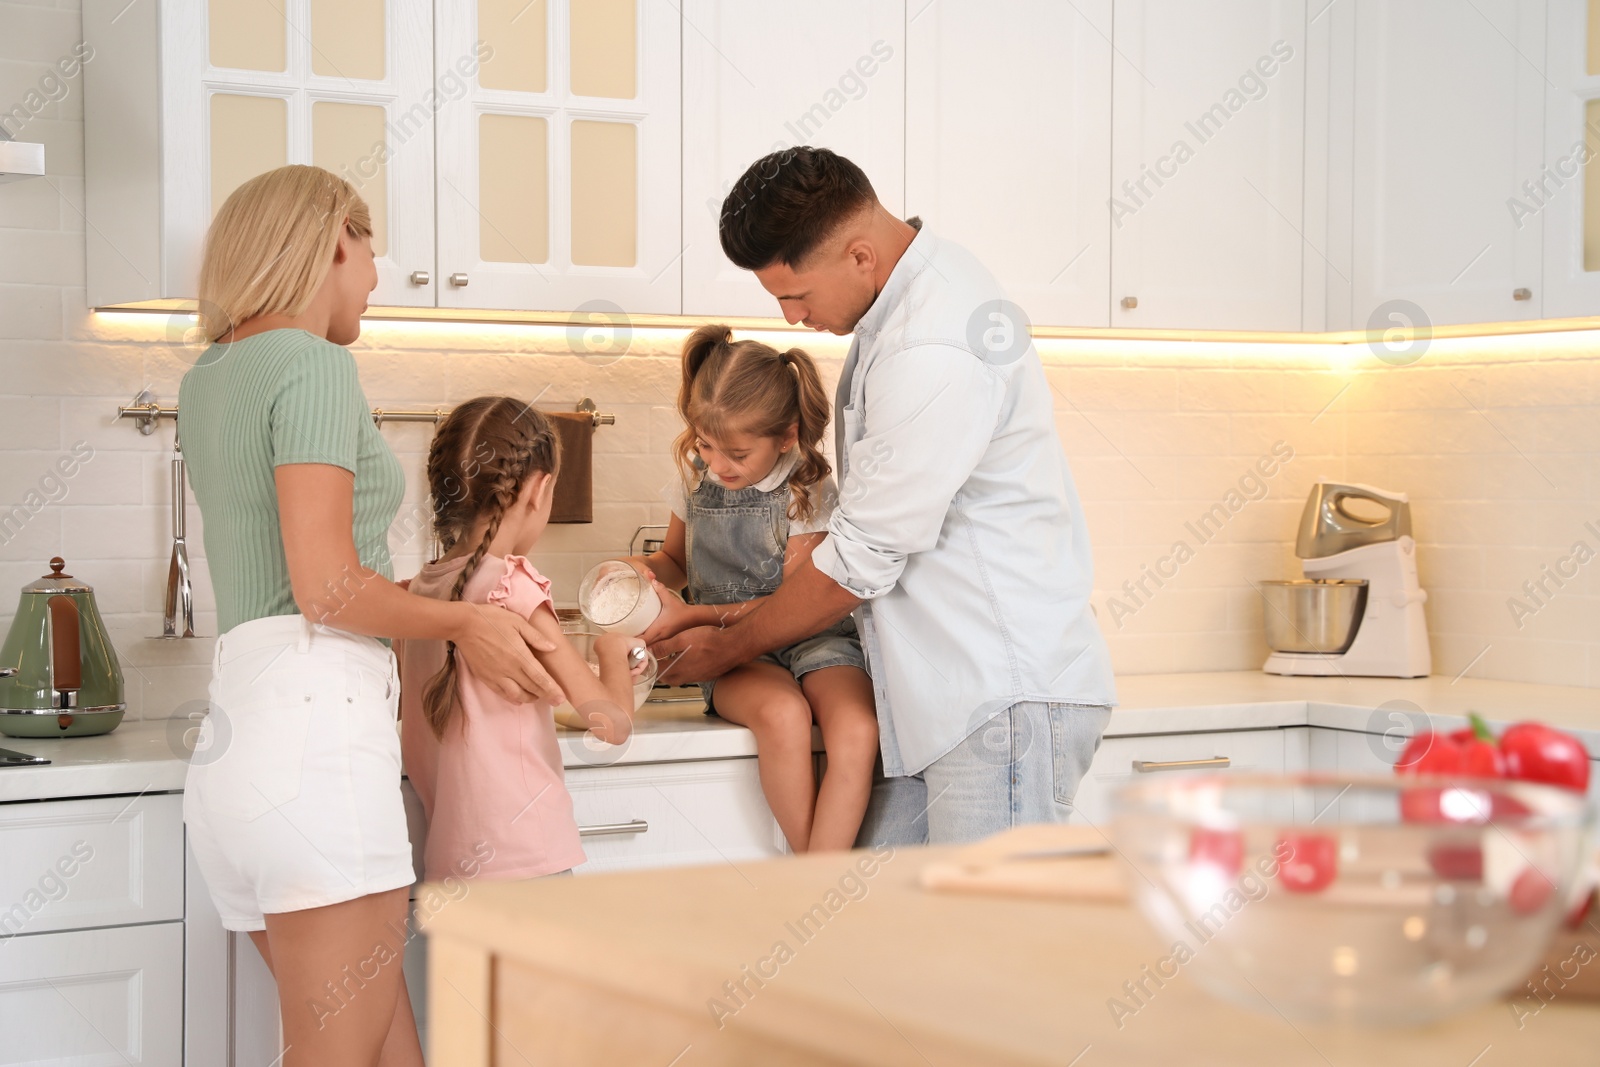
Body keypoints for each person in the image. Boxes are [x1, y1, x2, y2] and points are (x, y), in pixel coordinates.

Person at [179, 165, 563, 1067]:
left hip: (242, 750)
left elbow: (294, 580)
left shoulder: (211, 375)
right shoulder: (314, 364)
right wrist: (467, 624)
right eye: (372, 250)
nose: (378, 277)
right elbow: (325, 589)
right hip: (316, 747)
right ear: (332, 242)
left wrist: (415, 597)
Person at [653, 147, 1117, 846]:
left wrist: (725, 648)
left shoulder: (931, 344)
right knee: (881, 930)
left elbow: (861, 559)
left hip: (998, 700)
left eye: (796, 294)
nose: (787, 316)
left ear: (861, 256)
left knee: (988, 947)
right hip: (940, 698)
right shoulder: (909, 307)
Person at [632, 325, 878, 852]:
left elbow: (792, 606)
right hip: (736, 659)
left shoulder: (806, 485)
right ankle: (818, 873)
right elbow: (674, 559)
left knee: (857, 730)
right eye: (705, 444)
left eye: (737, 454)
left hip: (816, 638)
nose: (718, 466)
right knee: (784, 714)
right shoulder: (695, 476)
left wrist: (692, 617)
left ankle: (816, 876)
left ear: (786, 437)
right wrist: (640, 572)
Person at [398, 396, 642, 883]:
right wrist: (611, 651)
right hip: (527, 856)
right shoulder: (515, 584)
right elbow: (611, 725)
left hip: (448, 862)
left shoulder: (421, 591)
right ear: (540, 488)